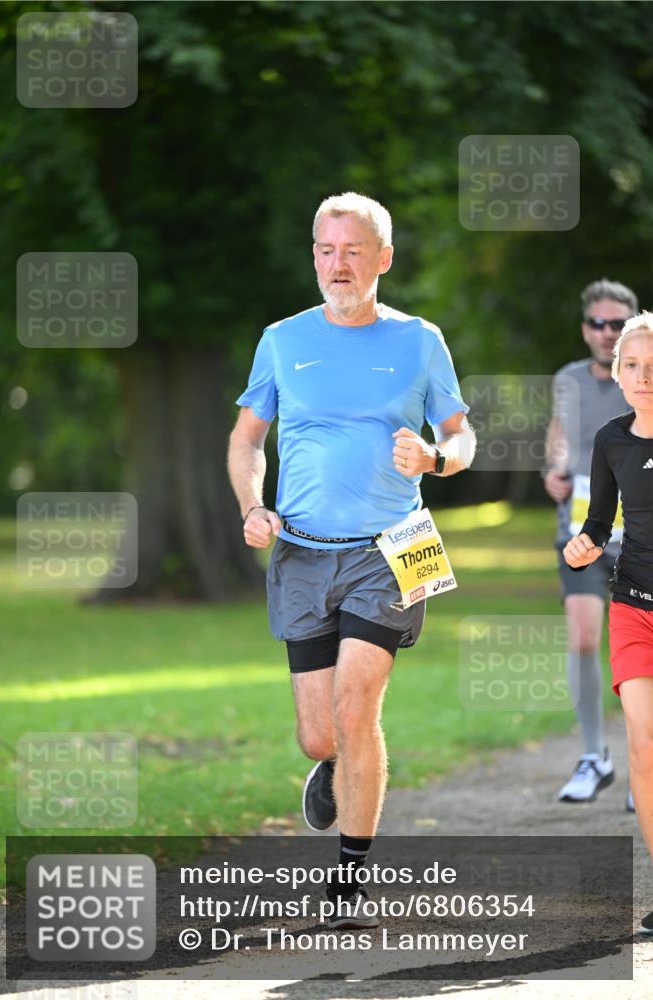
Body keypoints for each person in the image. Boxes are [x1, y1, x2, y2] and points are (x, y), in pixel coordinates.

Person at [228, 192, 475, 928]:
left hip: (397, 546)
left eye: (353, 252)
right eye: (326, 251)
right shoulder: (279, 339)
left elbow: (462, 435)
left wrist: (434, 455)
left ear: (383, 259)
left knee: (358, 701)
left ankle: (347, 883)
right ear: (314, 256)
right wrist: (253, 505)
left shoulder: (420, 340)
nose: (338, 265)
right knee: (320, 732)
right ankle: (332, 764)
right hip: (301, 552)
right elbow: (247, 440)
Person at [563, 312, 653, 935]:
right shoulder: (610, 440)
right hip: (635, 607)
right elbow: (599, 521)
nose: (644, 377)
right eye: (632, 365)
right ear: (617, 372)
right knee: (645, 746)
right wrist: (583, 545)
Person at [544, 279, 638, 804]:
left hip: (641, 537)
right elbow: (558, 442)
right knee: (583, 637)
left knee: (639, 654)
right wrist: (552, 474)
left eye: (617, 325)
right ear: (585, 329)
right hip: (581, 534)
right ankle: (594, 757)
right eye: (598, 324)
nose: (607, 333)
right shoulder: (568, 380)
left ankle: (642, 762)